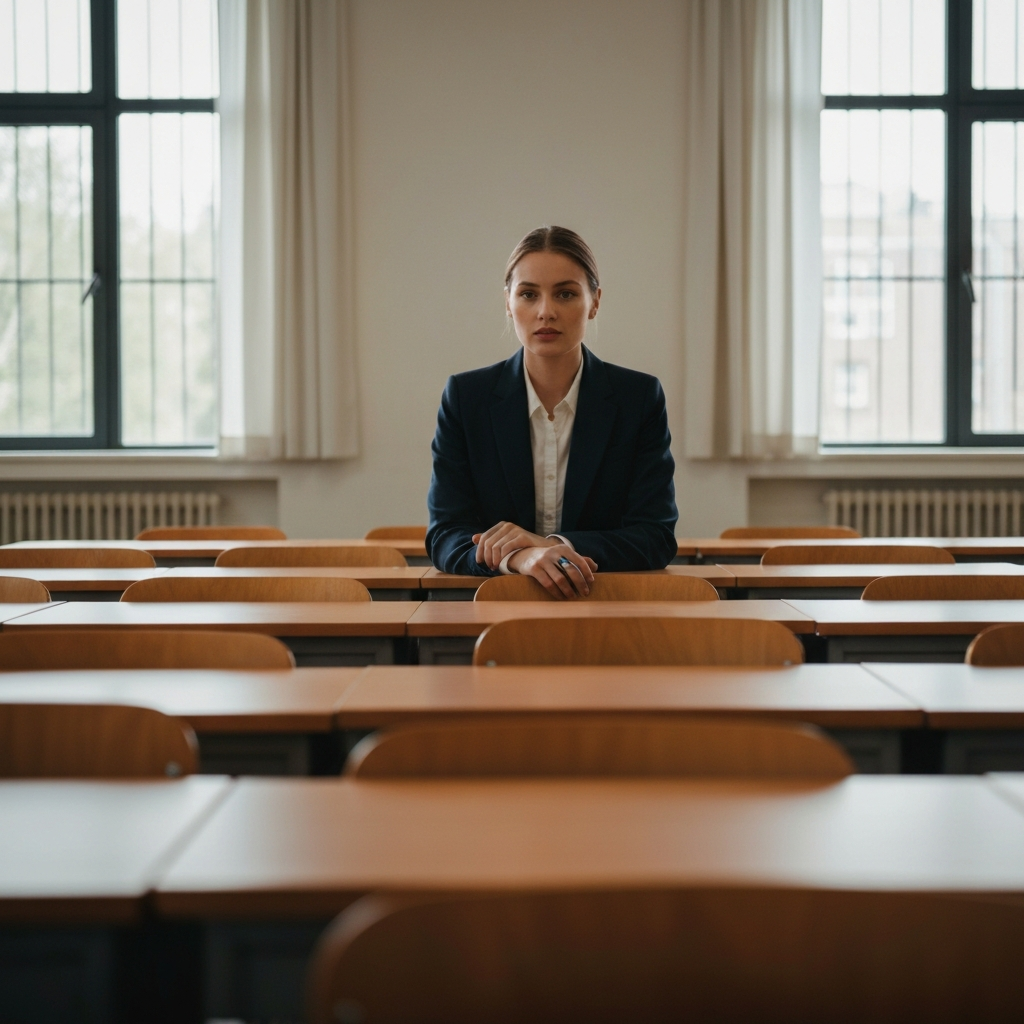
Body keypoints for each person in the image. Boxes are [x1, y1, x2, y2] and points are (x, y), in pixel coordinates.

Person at [426, 225, 678, 598]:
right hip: (493, 607)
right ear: (507, 303)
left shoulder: (638, 398)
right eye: (528, 294)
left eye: (565, 293)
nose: (546, 311)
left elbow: (655, 536)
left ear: (594, 302)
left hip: (605, 604)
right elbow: (446, 534)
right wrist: (521, 557)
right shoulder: (466, 397)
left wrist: (555, 546)